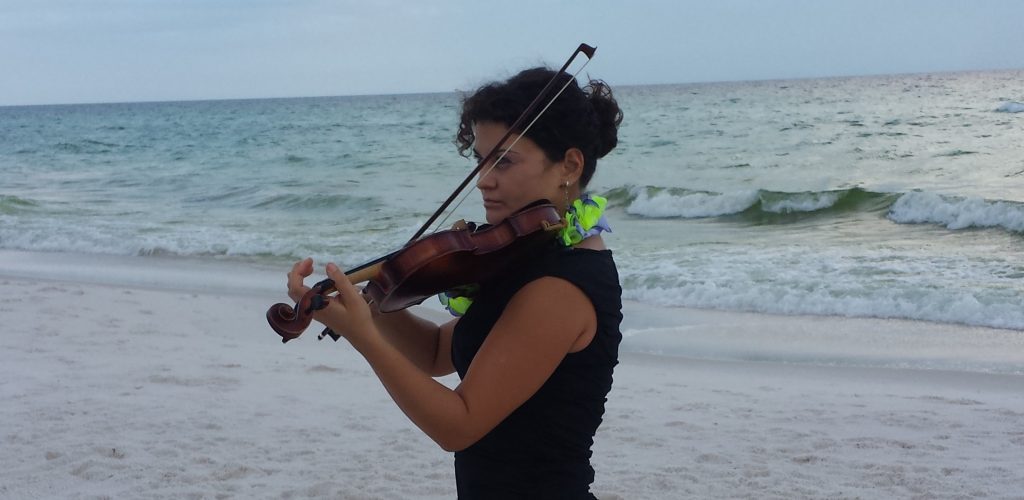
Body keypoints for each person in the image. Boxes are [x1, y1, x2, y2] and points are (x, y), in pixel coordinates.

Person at [286, 67, 624, 498]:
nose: (485, 179)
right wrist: (364, 305)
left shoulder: (562, 285)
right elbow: (435, 353)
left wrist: (363, 336)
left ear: (569, 166)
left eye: (504, 160)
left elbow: (458, 425)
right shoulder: (529, 260)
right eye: (481, 159)